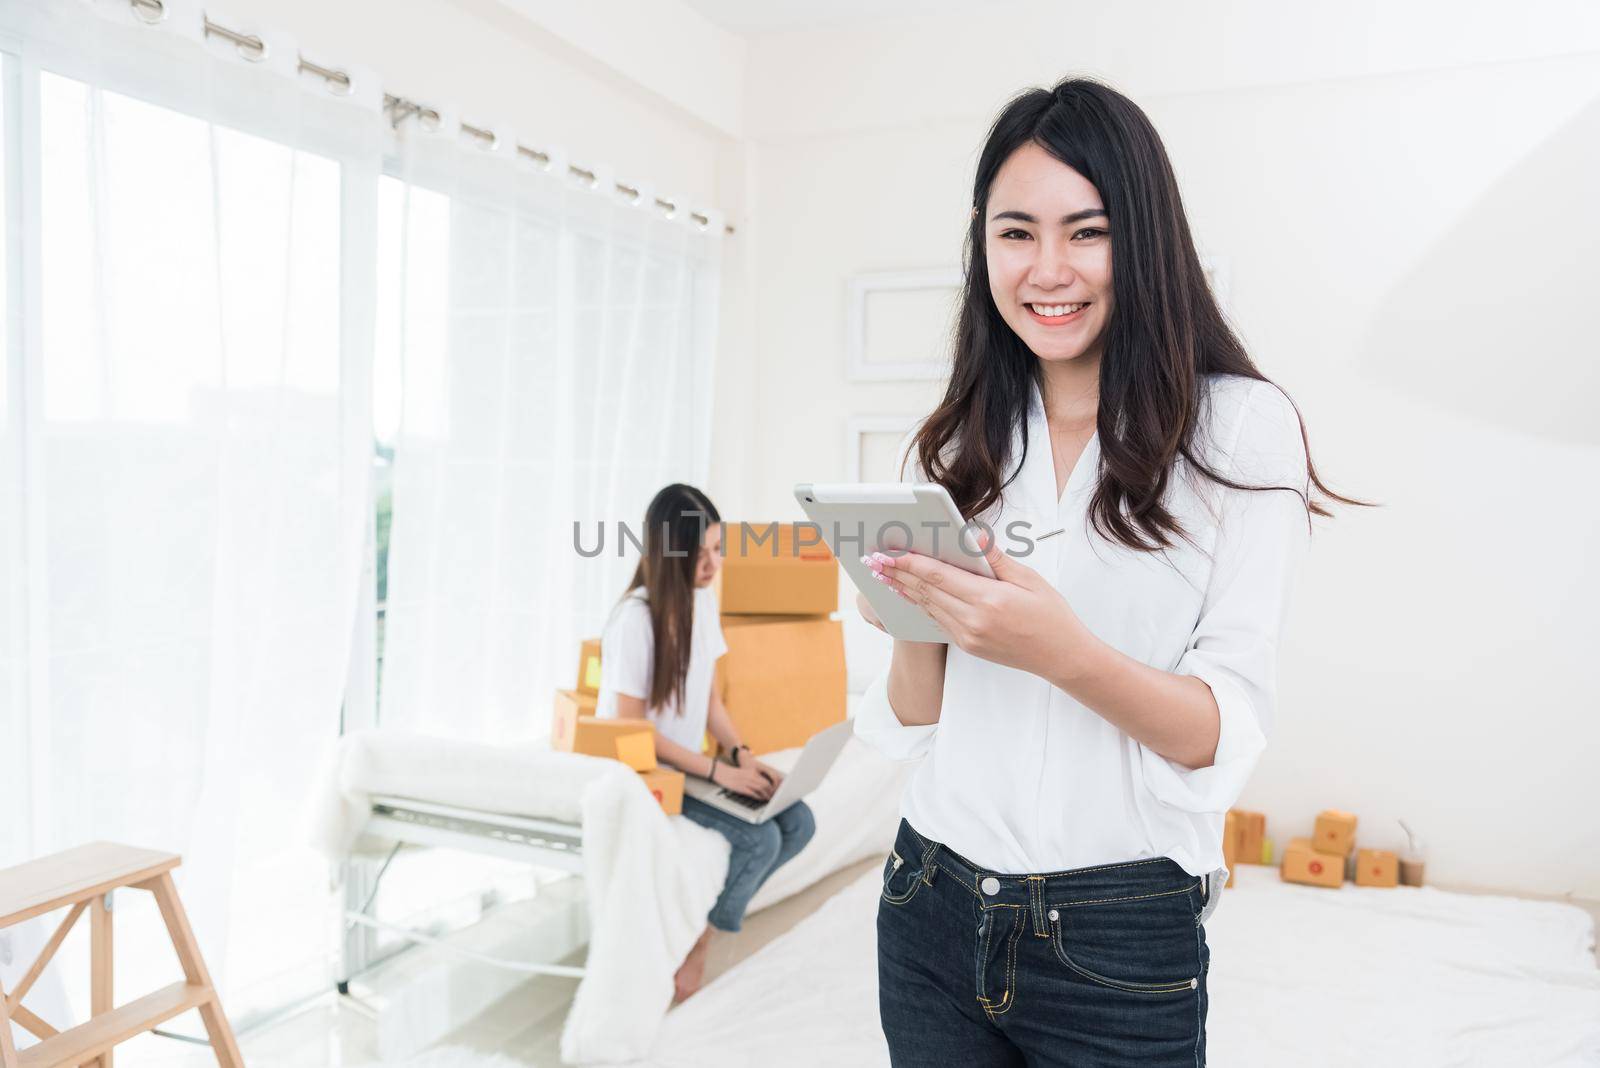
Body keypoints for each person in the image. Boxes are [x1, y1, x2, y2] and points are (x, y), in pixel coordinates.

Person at [853, 78, 1371, 1066]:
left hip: (1118, 931)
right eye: (1016, 234)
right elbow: (915, 724)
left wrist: (1063, 654)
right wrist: (911, 621)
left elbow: (1224, 730)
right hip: (927, 899)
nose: (1047, 269)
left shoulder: (1239, 432)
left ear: (1143, 235)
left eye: (1084, 231)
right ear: (981, 242)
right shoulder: (955, 443)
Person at [595, 483, 817, 1005]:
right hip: (642, 770)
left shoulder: (700, 603)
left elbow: (711, 700)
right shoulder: (635, 620)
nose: (714, 563)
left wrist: (742, 756)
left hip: (689, 765)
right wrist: (718, 774)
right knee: (759, 839)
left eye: (718, 550)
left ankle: (707, 927)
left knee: (798, 820)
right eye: (702, 553)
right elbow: (632, 730)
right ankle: (700, 943)